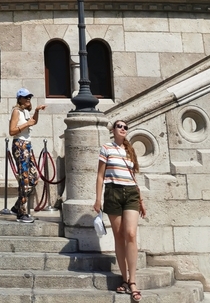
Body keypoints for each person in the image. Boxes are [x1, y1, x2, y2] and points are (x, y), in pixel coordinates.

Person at [93, 119, 147, 301]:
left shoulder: (130, 150)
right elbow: (100, 175)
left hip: (131, 193)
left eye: (125, 127)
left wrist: (141, 200)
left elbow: (133, 177)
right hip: (113, 192)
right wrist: (98, 199)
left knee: (131, 234)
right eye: (120, 126)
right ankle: (124, 279)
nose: (123, 129)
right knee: (119, 236)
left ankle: (133, 281)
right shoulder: (106, 148)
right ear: (113, 130)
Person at [8, 89, 46, 223]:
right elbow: (12, 131)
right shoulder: (16, 111)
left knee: (33, 178)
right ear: (20, 99)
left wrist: (37, 111)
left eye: (29, 96)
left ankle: (17, 206)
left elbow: (33, 122)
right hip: (20, 145)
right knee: (24, 178)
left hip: (27, 145)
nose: (28, 98)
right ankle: (21, 212)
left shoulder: (25, 111)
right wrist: (26, 124)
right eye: (26, 97)